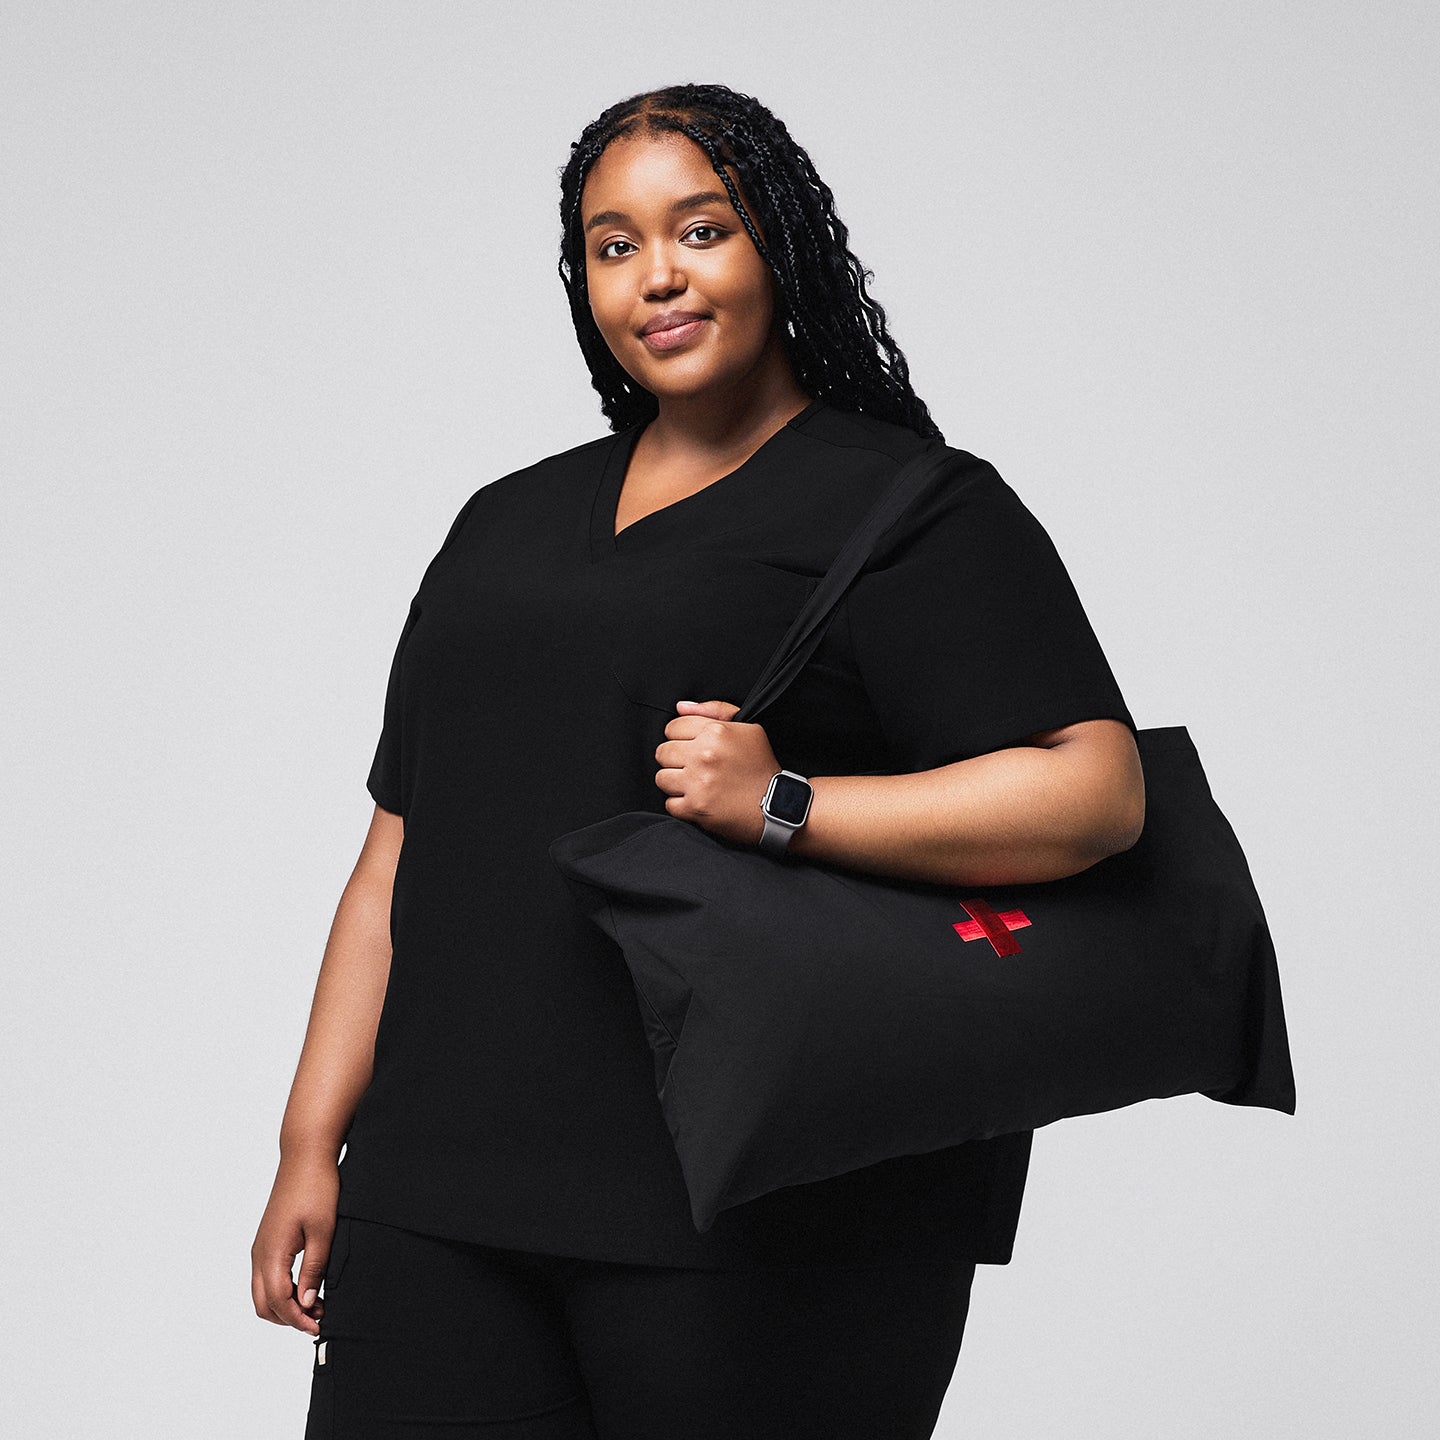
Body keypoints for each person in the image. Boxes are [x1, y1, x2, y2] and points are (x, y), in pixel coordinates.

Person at [251, 82, 1145, 1440]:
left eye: (701, 229)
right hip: (439, 1198)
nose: (655, 276)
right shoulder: (502, 526)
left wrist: (786, 804)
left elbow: (1096, 792)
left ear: (778, 245)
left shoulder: (910, 509)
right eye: (614, 246)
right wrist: (311, 1142)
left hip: (765, 1212)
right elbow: (398, 857)